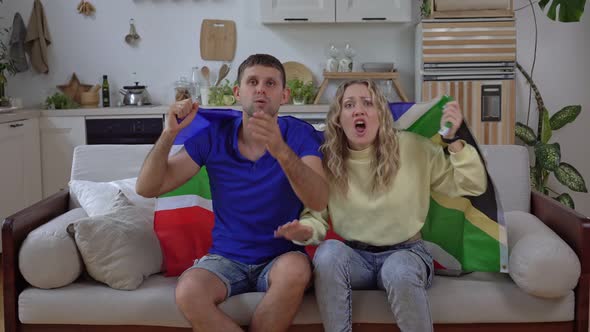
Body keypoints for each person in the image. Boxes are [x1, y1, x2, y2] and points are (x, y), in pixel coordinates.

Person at [274, 79, 487, 332]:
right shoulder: (328, 160)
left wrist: (455, 141)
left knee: (397, 269)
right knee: (328, 252)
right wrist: (305, 231)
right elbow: (316, 217)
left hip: (407, 253)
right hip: (356, 258)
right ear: (339, 119)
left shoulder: (414, 147)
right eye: (349, 105)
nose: (359, 110)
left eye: (368, 103)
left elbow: (472, 186)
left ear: (382, 115)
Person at [136, 54, 329, 332]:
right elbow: (147, 187)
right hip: (225, 259)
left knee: (297, 270)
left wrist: (281, 150)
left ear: (284, 95)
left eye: (270, 83)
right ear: (238, 92)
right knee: (188, 291)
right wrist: (168, 134)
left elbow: (319, 199)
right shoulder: (214, 135)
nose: (261, 88)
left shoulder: (300, 134)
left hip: (281, 256)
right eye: (253, 81)